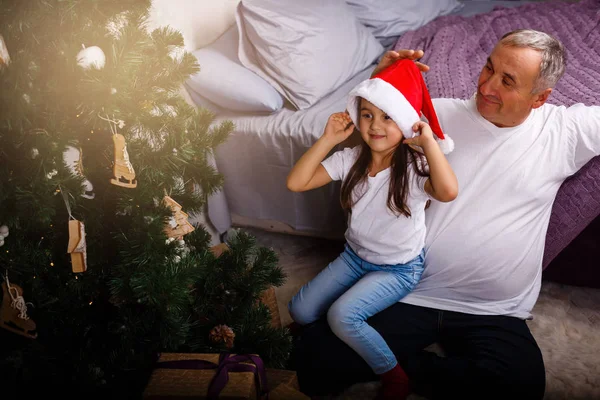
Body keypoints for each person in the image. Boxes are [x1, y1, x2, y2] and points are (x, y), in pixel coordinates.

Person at [290, 29, 600, 400]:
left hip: (491, 310)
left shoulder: (564, 131)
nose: (486, 85)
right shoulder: (431, 118)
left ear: (541, 98)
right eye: (488, 68)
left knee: (522, 385)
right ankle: (397, 364)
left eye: (507, 81)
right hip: (405, 289)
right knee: (310, 360)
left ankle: (402, 367)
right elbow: (370, 131)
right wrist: (379, 78)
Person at [286, 59, 458, 400]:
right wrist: (327, 139)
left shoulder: (414, 166)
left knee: (343, 316)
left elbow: (448, 191)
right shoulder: (351, 158)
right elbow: (296, 182)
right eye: (367, 115)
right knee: (299, 310)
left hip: (398, 269)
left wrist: (429, 144)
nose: (375, 126)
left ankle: (394, 374)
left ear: (407, 123)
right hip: (355, 258)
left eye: (387, 116)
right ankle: (326, 337)